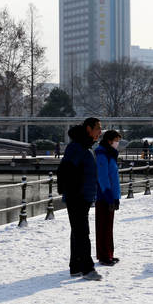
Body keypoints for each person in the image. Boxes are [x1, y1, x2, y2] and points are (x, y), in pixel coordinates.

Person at [59, 117, 103, 280]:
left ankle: (75, 266)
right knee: (82, 232)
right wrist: (75, 192)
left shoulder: (86, 147)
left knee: (77, 232)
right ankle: (87, 269)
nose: (100, 131)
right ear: (88, 129)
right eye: (98, 128)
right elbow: (68, 171)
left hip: (83, 195)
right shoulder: (77, 147)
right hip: (77, 196)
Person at [95, 129, 122, 266]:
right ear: (110, 140)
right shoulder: (102, 153)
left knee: (108, 226)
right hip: (104, 196)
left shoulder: (110, 154)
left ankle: (109, 253)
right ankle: (103, 255)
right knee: (103, 226)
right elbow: (103, 176)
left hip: (111, 195)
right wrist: (109, 196)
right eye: (117, 140)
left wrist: (116, 197)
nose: (118, 143)